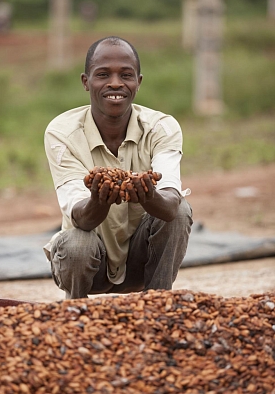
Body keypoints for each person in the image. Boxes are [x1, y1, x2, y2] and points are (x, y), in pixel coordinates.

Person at [43, 36, 193, 299]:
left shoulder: (161, 127)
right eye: (103, 74)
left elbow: (170, 205)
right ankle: (76, 313)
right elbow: (81, 217)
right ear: (86, 82)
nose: (115, 83)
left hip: (141, 260)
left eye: (126, 75)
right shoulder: (62, 132)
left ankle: (157, 304)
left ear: (138, 82)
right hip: (90, 264)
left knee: (181, 209)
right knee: (77, 242)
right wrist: (100, 199)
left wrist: (148, 194)